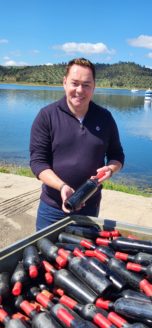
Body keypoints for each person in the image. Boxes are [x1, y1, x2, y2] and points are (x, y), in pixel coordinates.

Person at [30, 58, 125, 230]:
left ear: (94, 87)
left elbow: (117, 155)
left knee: (84, 256)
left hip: (89, 208)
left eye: (86, 85)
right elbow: (38, 162)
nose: (80, 90)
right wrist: (62, 186)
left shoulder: (105, 118)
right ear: (64, 83)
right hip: (52, 208)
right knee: (44, 254)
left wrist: (110, 169)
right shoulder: (47, 116)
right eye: (75, 83)